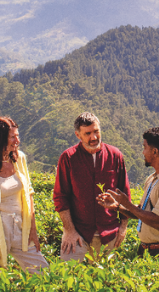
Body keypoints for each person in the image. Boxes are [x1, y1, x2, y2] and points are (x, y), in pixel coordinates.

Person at [98, 127, 159, 258]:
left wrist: (127, 204)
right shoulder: (154, 178)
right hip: (149, 250)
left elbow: (158, 222)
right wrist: (117, 206)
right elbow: (142, 212)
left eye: (144, 147)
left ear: (154, 152)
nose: (143, 152)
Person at [52, 112, 130, 262]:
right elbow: (60, 197)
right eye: (87, 133)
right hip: (78, 234)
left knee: (108, 283)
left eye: (96, 132)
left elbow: (124, 192)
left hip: (110, 234)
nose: (93, 137)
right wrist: (69, 231)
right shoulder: (68, 158)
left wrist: (123, 226)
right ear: (78, 135)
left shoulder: (115, 156)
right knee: (69, 279)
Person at [0, 117, 49, 272]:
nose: (17, 141)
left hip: (21, 226)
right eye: (13, 137)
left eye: (18, 136)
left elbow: (29, 193)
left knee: (41, 271)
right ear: (1, 139)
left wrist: (33, 231)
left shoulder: (19, 158)